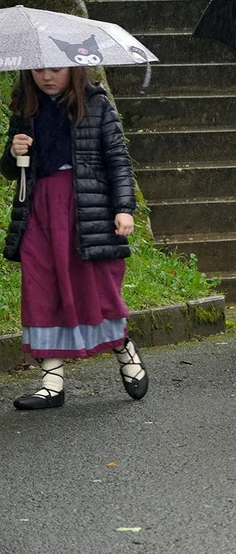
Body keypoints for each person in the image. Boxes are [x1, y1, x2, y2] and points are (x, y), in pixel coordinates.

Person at [2, 66, 147, 410]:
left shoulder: (96, 104)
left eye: (56, 69)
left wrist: (124, 208)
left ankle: (123, 348)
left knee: (95, 287)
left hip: (86, 208)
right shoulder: (25, 106)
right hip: (38, 208)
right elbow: (10, 171)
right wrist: (13, 152)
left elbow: (118, 160)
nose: (46, 76)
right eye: (39, 69)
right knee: (40, 286)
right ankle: (52, 383)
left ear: (73, 68)